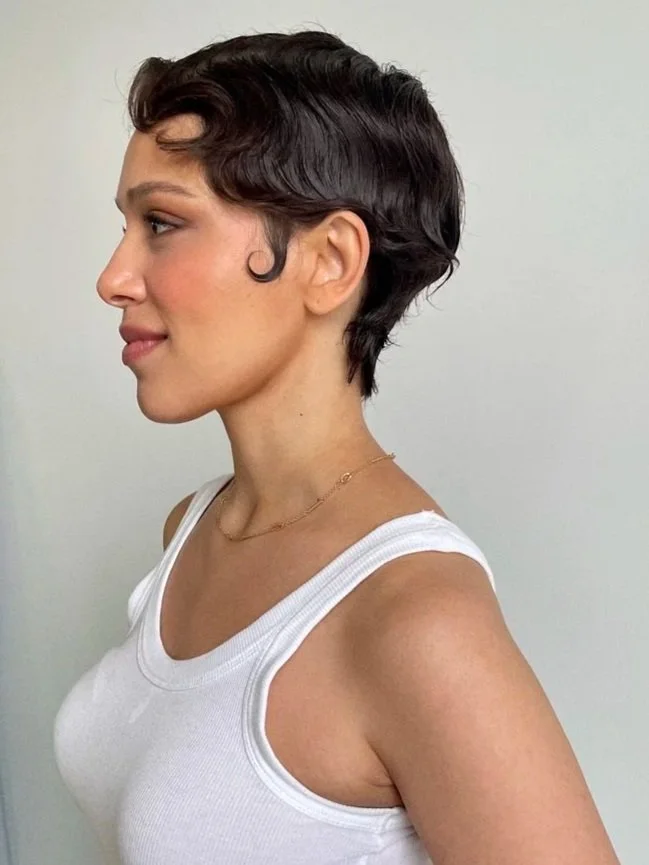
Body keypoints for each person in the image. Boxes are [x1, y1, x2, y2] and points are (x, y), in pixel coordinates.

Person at [53, 28, 621, 865]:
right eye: (127, 224)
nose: (114, 276)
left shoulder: (415, 617)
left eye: (163, 223)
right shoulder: (190, 532)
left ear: (328, 261)